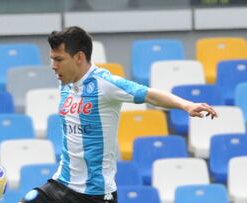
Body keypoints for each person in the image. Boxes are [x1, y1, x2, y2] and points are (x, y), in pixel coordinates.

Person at [20, 26, 217, 203]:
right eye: (52, 59)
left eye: (59, 59)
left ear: (79, 57)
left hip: (94, 195)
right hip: (61, 184)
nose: (53, 66)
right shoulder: (66, 82)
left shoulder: (105, 84)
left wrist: (186, 105)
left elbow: (150, 95)